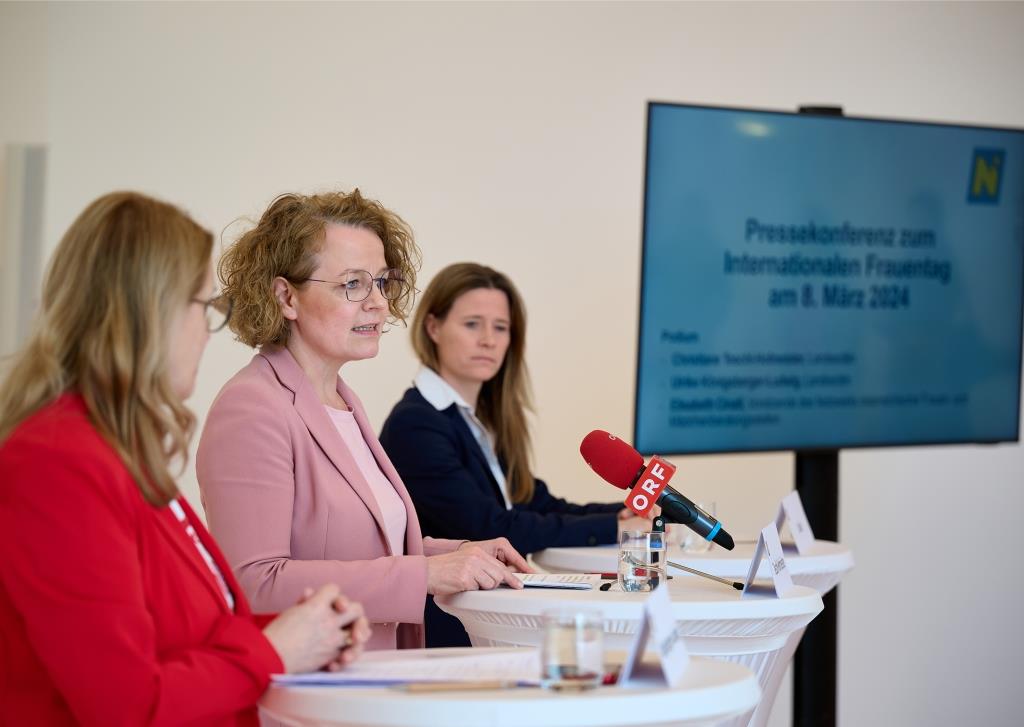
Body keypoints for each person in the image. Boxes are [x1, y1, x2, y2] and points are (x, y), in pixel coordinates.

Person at [0, 192, 371, 726]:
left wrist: (306, 630)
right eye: (205, 307)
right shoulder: (56, 462)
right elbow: (127, 706)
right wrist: (275, 653)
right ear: (149, 311)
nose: (207, 330)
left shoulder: (118, 447)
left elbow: (190, 630)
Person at [196, 190, 531, 653]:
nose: (377, 302)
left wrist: (458, 554)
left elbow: (362, 549)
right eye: (353, 284)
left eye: (381, 282)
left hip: (371, 681)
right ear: (286, 296)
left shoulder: (342, 401)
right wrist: (424, 574)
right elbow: (255, 582)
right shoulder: (252, 408)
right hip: (312, 699)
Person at [379, 262, 640, 646]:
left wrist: (620, 513)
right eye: (472, 324)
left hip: (485, 616)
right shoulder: (417, 424)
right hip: (446, 633)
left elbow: (537, 501)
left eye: (500, 328)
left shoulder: (476, 421)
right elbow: (494, 526)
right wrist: (614, 529)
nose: (489, 340)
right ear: (433, 328)